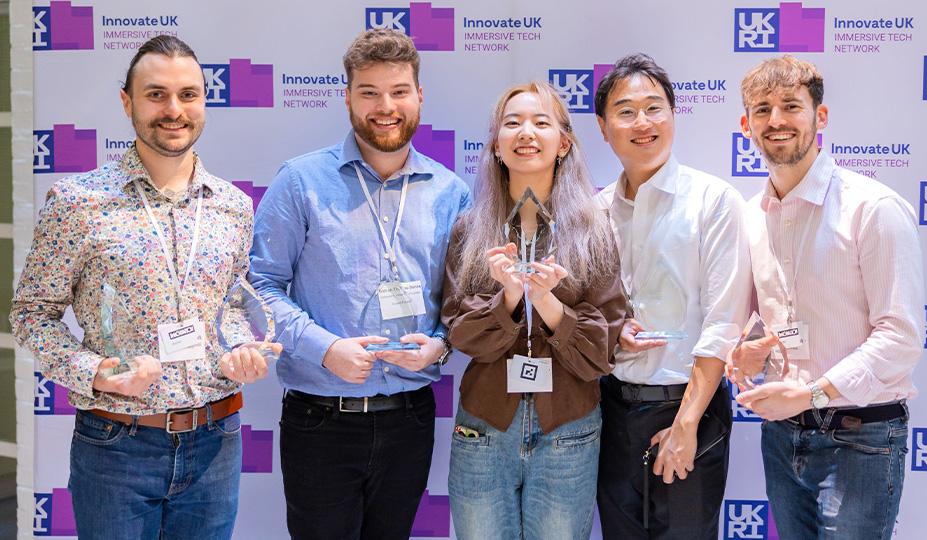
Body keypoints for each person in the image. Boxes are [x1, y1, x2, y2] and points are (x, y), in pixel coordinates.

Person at [10, 35, 274, 539]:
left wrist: (240, 345)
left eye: (188, 95)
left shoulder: (234, 205)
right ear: (127, 102)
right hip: (117, 443)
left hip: (216, 441)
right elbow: (30, 316)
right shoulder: (77, 203)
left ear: (204, 101)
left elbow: (233, 305)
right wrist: (95, 371)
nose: (174, 110)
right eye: (156, 94)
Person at [248, 29, 470, 540]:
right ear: (347, 97)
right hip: (319, 420)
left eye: (398, 91)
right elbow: (259, 287)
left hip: (411, 417)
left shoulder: (451, 193)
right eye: (368, 92)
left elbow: (464, 301)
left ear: (419, 97)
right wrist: (325, 349)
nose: (384, 106)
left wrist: (439, 346)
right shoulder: (300, 182)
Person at [731, 55, 923, 540]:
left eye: (791, 106)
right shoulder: (752, 216)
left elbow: (900, 338)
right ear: (745, 124)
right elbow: (772, 316)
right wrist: (751, 347)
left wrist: (812, 393)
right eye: (762, 109)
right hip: (782, 435)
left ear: (821, 116)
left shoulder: (873, 209)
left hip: (862, 435)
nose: (776, 121)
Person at [440, 80, 626, 540]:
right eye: (513, 123)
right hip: (483, 428)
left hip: (569, 428)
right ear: (496, 146)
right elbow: (460, 333)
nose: (526, 132)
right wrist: (506, 298)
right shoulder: (470, 227)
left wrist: (547, 301)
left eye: (541, 122)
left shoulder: (593, 226)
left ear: (564, 143)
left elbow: (603, 350)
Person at [593, 53, 751, 539]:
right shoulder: (595, 211)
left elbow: (724, 321)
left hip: (689, 411)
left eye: (654, 108)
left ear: (673, 115)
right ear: (603, 127)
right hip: (611, 411)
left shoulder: (713, 200)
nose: (642, 123)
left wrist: (685, 426)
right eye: (625, 110)